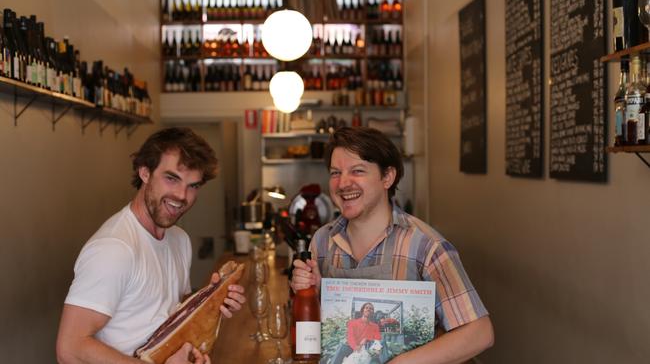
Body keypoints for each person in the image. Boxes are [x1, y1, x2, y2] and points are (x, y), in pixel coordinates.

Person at [291, 127, 494, 364]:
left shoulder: (426, 247)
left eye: (357, 171)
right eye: (335, 173)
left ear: (387, 177)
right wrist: (311, 295)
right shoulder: (323, 240)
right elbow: (318, 335)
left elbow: (480, 333)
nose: (343, 183)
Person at [56, 127, 246, 364]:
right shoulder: (114, 249)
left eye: (193, 185)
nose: (181, 195)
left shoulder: (179, 239)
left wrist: (212, 301)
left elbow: (164, 311)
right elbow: (70, 348)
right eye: (171, 178)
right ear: (145, 172)